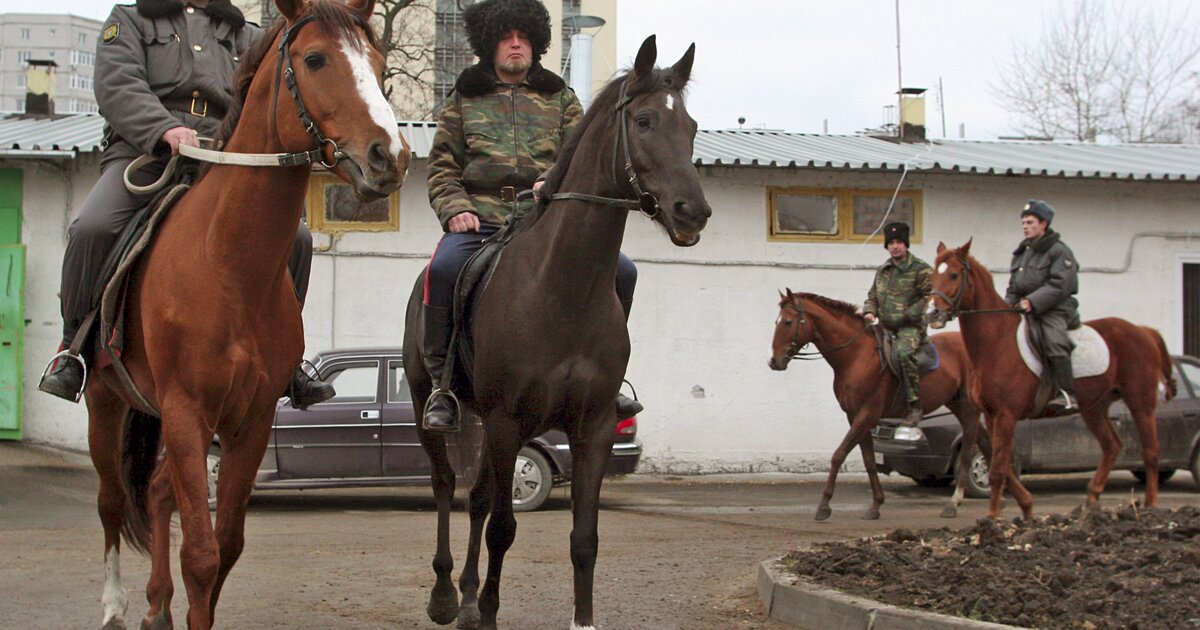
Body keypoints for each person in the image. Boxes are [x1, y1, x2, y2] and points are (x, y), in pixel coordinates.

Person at [38, 0, 334, 407]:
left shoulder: (246, 35)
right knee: (93, 226)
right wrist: (164, 128)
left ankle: (285, 360)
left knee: (297, 239)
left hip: (224, 157)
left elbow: (271, 96)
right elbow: (117, 85)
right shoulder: (131, 19)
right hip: (145, 154)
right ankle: (73, 350)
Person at [421, 0, 641, 432]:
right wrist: (455, 209)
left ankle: (607, 376)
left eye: (523, 36)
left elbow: (583, 157)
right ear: (491, 44)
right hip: (480, 220)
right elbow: (442, 166)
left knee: (624, 271)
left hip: (545, 221)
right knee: (443, 269)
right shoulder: (465, 96)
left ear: (536, 43)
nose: (516, 44)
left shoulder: (561, 97)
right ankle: (441, 384)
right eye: (506, 37)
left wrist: (554, 182)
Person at [1005, 199, 1081, 413]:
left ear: (1043, 224)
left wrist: (1033, 301)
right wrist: (1007, 306)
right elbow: (1014, 286)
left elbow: (1061, 284)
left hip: (1054, 309)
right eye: (1023, 223)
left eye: (1030, 222)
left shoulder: (1059, 251)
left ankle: (1067, 393)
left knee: (1054, 340)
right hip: (1025, 308)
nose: (1025, 226)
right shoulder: (1022, 253)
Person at [863, 222, 932, 428]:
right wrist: (869, 310)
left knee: (903, 353)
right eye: (891, 243)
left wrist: (909, 313)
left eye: (899, 242)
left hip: (910, 327)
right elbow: (873, 295)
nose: (895, 246)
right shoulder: (883, 270)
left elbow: (930, 297)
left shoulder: (921, 269)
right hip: (884, 326)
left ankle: (914, 405)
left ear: (906, 244)